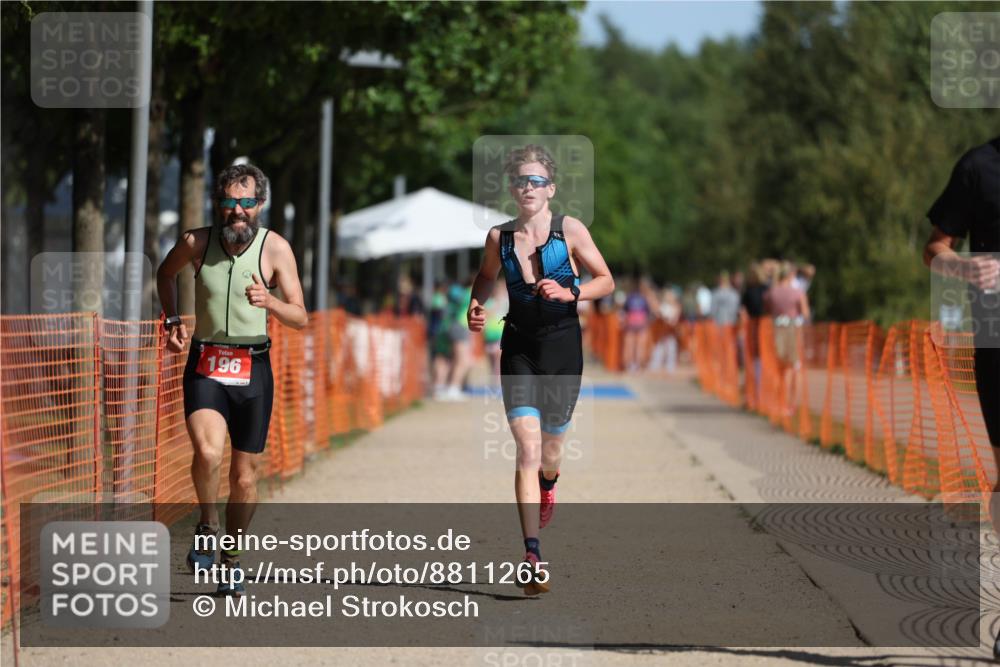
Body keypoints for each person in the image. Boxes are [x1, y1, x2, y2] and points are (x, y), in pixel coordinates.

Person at [467, 144, 614, 595]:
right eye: (519, 181)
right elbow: (485, 278)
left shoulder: (569, 230)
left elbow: (606, 280)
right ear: (511, 189)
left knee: (550, 453)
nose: (526, 188)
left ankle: (549, 483)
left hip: (563, 349)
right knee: (527, 451)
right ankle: (532, 553)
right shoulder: (499, 237)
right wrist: (475, 307)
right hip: (519, 349)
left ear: (549, 189)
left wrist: (572, 294)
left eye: (535, 181)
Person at [156, 163, 307, 596]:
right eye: (228, 203)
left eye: (245, 203)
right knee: (207, 452)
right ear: (217, 206)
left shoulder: (276, 248)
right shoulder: (195, 243)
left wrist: (271, 302)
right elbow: (166, 274)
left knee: (244, 476)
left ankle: (233, 558)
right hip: (206, 361)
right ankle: (208, 522)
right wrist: (170, 318)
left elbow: (301, 316)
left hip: (253, 367)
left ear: (259, 205)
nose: (237, 212)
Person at [763, 262, 810, 418]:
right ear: (790, 275)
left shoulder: (772, 292)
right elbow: (805, 313)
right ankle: (789, 404)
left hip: (776, 330)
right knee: (791, 368)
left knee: (777, 367)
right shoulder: (797, 292)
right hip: (792, 331)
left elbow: (767, 309)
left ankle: (777, 402)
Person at [482, 277, 509, 387]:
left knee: (498, 359)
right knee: (491, 360)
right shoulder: (489, 302)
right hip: (489, 334)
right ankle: (493, 382)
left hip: (500, 334)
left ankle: (497, 383)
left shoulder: (506, 301)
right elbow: (487, 315)